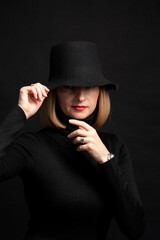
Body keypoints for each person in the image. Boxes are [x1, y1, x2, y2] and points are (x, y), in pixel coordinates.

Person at [0, 41, 145, 240]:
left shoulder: (114, 147)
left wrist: (105, 160)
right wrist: (21, 113)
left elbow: (135, 229)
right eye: (69, 87)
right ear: (55, 92)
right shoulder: (33, 145)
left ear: (100, 91)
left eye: (89, 86)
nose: (80, 97)